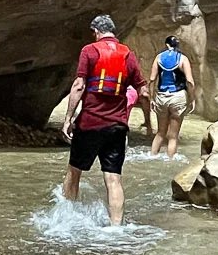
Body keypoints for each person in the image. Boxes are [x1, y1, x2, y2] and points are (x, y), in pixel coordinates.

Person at [61, 14, 145, 227]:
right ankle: (116, 228)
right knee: (113, 178)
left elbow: (79, 85)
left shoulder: (89, 51)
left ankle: (65, 219)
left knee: (74, 172)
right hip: (116, 127)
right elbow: (142, 90)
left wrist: (68, 119)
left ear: (96, 32)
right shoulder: (128, 55)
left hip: (90, 123)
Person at [149, 35, 195, 158]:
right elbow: (190, 81)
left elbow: (152, 79)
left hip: (161, 96)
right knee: (173, 136)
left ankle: (152, 156)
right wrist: (192, 99)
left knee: (160, 133)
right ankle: (170, 161)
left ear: (166, 45)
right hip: (178, 97)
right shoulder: (183, 59)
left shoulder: (159, 57)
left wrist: (152, 98)